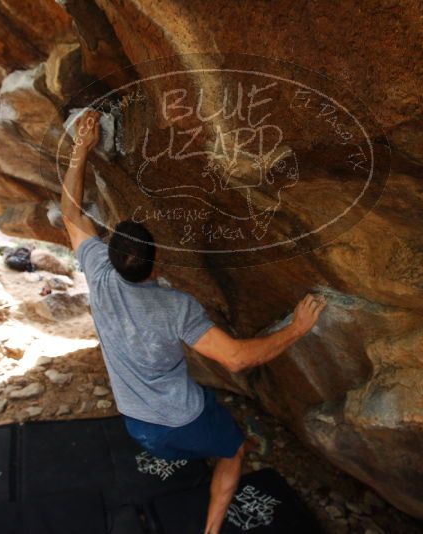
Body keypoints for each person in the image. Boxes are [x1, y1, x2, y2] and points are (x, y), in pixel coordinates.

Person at [61, 110, 327, 533]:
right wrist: (297, 327)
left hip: (135, 421)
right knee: (234, 449)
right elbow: (237, 359)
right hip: (180, 420)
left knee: (187, 427)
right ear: (155, 266)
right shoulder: (175, 307)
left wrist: (81, 149)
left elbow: (71, 214)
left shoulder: (99, 272)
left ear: (112, 256)